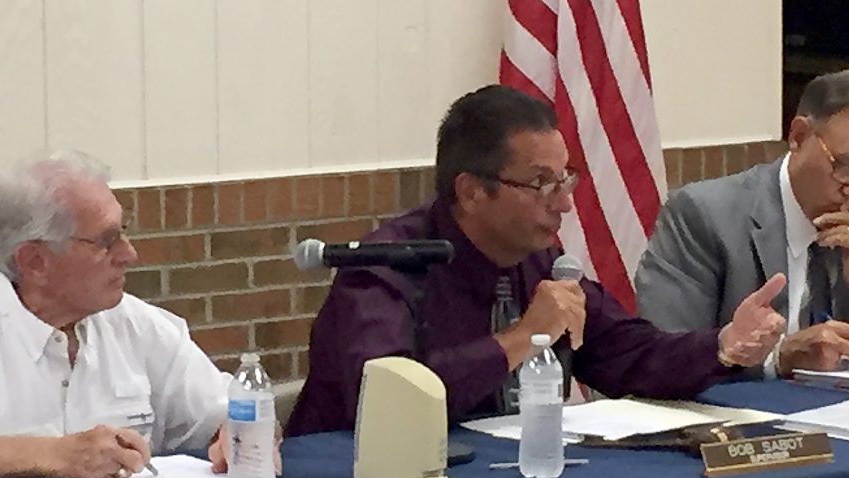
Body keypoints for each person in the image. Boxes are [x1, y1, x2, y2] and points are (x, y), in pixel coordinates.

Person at [286, 85, 787, 436]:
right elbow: (384, 405)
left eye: (565, 179)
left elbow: (628, 356)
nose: (564, 203)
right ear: (472, 191)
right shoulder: (385, 269)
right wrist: (522, 337)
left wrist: (722, 345)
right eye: (541, 183)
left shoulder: (541, 262)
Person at [0, 150, 257, 478]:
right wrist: (57, 456)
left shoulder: (139, 325)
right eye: (106, 241)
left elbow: (229, 412)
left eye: (123, 232)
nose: (129, 254)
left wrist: (241, 433)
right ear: (35, 261)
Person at [635, 67, 849, 377]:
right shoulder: (704, 216)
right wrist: (777, 359)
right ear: (798, 136)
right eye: (846, 167)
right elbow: (664, 362)